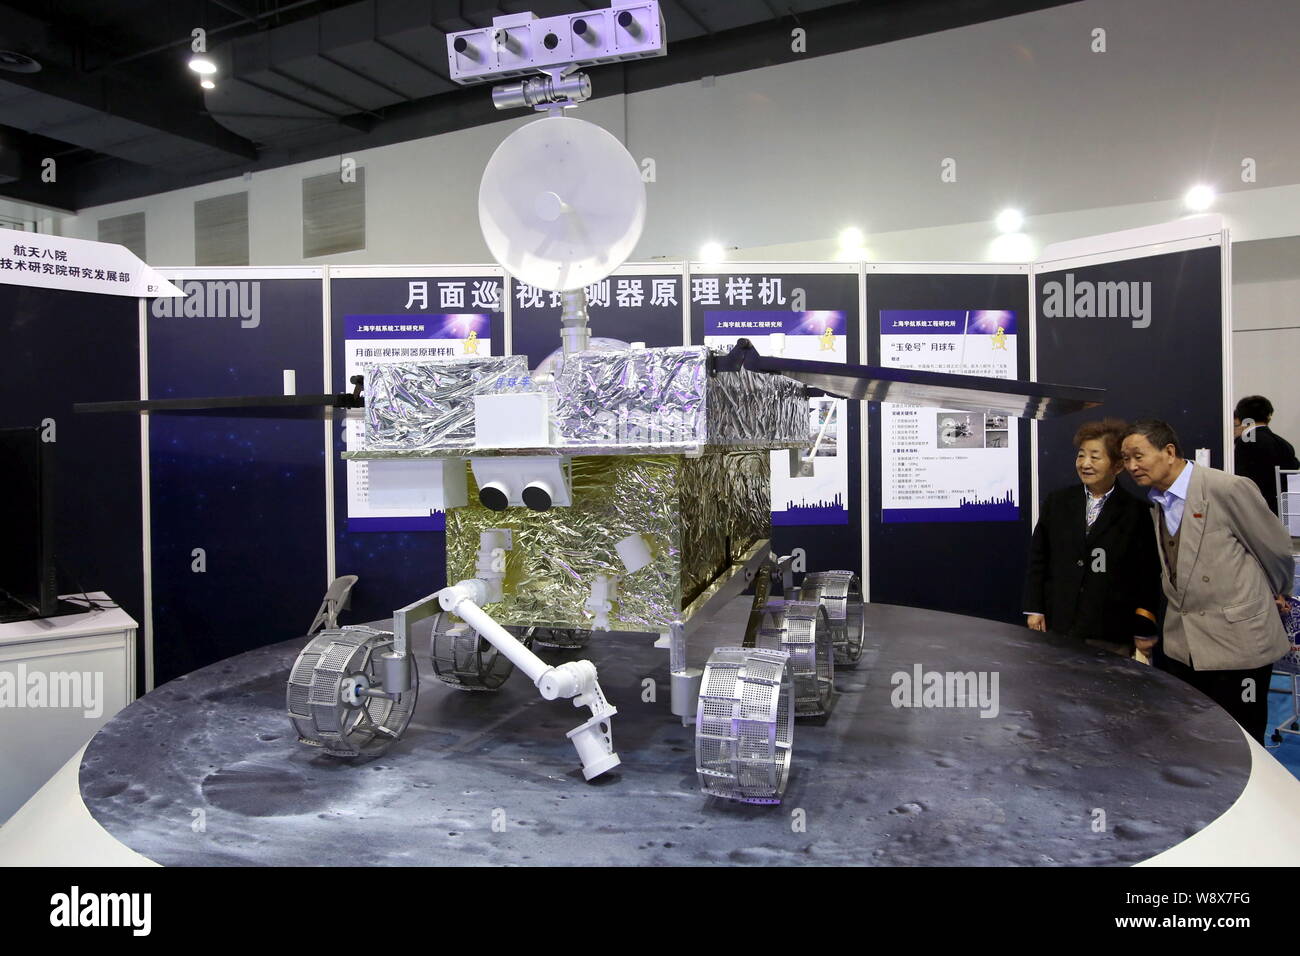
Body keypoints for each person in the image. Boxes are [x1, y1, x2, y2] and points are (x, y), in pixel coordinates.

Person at [1121, 418, 1294, 743]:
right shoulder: (1158, 503)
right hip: (1184, 649)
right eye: (1126, 459)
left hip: (1237, 645)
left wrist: (1278, 590)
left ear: (1169, 451)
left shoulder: (1226, 489)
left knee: (1243, 742)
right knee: (1194, 741)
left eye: (1138, 455)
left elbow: (1276, 550)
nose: (1131, 466)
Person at [1023, 419, 1161, 659]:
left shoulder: (1137, 512)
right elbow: (1039, 558)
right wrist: (1035, 608)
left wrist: (1143, 627)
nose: (1085, 464)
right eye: (1081, 456)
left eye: (1095, 457)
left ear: (1117, 466)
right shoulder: (1058, 502)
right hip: (1060, 624)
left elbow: (1146, 574)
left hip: (1110, 630)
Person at [1233, 395, 1298, 516]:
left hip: (1254, 510)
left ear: (1241, 417)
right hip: (1283, 511)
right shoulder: (1284, 444)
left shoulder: (1245, 442)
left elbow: (1242, 478)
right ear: (1269, 416)